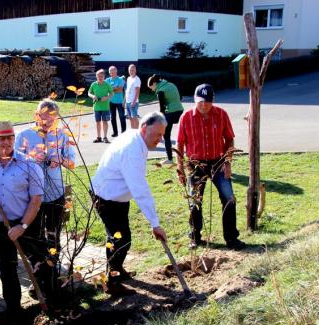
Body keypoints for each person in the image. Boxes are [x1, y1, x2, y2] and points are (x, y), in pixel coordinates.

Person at [0, 121, 51, 321]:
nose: (5, 142)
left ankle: (49, 301)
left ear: (14, 138)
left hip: (27, 223)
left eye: (9, 137)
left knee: (40, 263)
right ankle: (14, 311)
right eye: (0, 138)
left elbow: (36, 200)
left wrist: (21, 227)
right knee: (7, 267)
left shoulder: (29, 165)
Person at [91, 111, 169, 296]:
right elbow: (140, 189)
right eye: (157, 134)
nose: (160, 139)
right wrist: (155, 224)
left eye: (162, 134)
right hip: (106, 197)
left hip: (117, 197)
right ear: (144, 128)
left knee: (122, 237)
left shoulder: (135, 137)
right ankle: (111, 282)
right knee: (120, 239)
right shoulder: (132, 150)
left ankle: (117, 270)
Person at [14, 100, 77, 301]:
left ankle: (52, 278)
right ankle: (38, 281)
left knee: (53, 237)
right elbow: (15, 163)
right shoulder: (25, 135)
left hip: (55, 194)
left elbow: (72, 163)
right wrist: (32, 159)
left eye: (52, 117)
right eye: (44, 116)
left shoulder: (62, 135)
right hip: (32, 198)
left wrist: (60, 159)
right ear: (37, 115)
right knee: (34, 239)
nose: (48, 121)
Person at [176, 84, 245, 250]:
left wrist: (227, 162)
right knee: (195, 201)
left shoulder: (221, 114)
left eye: (207, 102)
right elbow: (180, 144)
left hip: (218, 162)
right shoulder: (186, 117)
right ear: (195, 100)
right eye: (200, 102)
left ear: (212, 101)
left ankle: (231, 238)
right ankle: (195, 236)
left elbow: (229, 139)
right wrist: (180, 168)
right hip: (195, 164)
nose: (204, 105)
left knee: (229, 199)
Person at [147, 75, 184, 165]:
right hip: (180, 110)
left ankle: (170, 159)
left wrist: (159, 120)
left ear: (154, 83)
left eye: (151, 87)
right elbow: (180, 97)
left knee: (166, 136)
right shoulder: (170, 84)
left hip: (171, 113)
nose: (152, 89)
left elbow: (162, 109)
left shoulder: (160, 91)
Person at [89, 69, 114, 143]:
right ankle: (99, 137)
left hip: (105, 107)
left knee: (105, 122)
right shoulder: (93, 84)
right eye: (99, 76)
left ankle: (105, 137)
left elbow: (112, 93)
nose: (100, 77)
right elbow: (89, 93)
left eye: (102, 76)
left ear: (104, 77)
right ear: (96, 76)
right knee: (98, 122)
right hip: (96, 107)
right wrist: (93, 96)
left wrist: (106, 97)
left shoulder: (107, 84)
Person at [106, 66, 127, 137]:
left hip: (120, 102)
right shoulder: (107, 80)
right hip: (111, 102)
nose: (112, 72)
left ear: (116, 71)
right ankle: (115, 133)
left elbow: (120, 90)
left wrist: (111, 89)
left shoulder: (120, 79)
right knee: (112, 118)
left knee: (122, 117)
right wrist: (115, 88)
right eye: (111, 71)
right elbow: (106, 90)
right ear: (109, 72)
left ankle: (124, 133)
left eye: (114, 71)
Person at [125, 64, 141, 129]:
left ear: (135, 70)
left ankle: (137, 132)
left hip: (133, 102)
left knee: (135, 118)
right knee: (130, 118)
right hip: (128, 102)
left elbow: (137, 92)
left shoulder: (137, 79)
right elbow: (127, 91)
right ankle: (132, 132)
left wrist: (134, 101)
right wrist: (124, 101)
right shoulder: (129, 78)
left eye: (133, 70)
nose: (131, 71)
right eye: (130, 70)